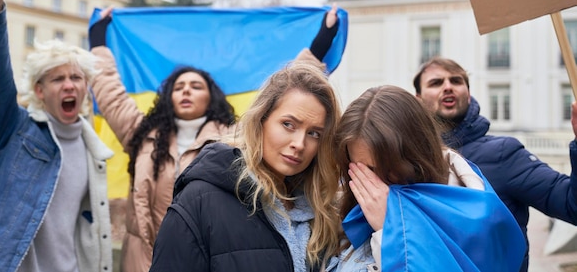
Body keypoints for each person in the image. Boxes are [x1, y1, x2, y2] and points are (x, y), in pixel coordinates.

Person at [88, 5, 341, 272]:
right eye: (179, 86)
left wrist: (321, 40)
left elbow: (289, 97)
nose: (186, 91)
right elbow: (109, 92)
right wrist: (98, 40)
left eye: (196, 86)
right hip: (144, 261)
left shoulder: (229, 135)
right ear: (168, 96)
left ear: (212, 96)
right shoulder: (143, 134)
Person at [0, 0, 114, 272]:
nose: (69, 85)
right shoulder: (12, 131)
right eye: (58, 79)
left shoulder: (95, 151)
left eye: (76, 78)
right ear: (40, 90)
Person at [149, 61, 342, 272]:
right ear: (261, 120)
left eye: (314, 133)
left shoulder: (323, 211)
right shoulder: (198, 200)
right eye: (288, 124)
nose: (299, 144)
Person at [329, 85, 526, 271]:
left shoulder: (476, 215)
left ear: (416, 154)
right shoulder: (344, 210)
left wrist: (391, 231)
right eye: (363, 170)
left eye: (387, 169)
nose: (373, 183)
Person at [414, 57, 577, 272]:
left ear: (468, 95)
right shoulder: (411, 162)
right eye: (436, 83)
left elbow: (571, 205)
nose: (448, 87)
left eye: (456, 81)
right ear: (418, 99)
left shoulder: (503, 154)